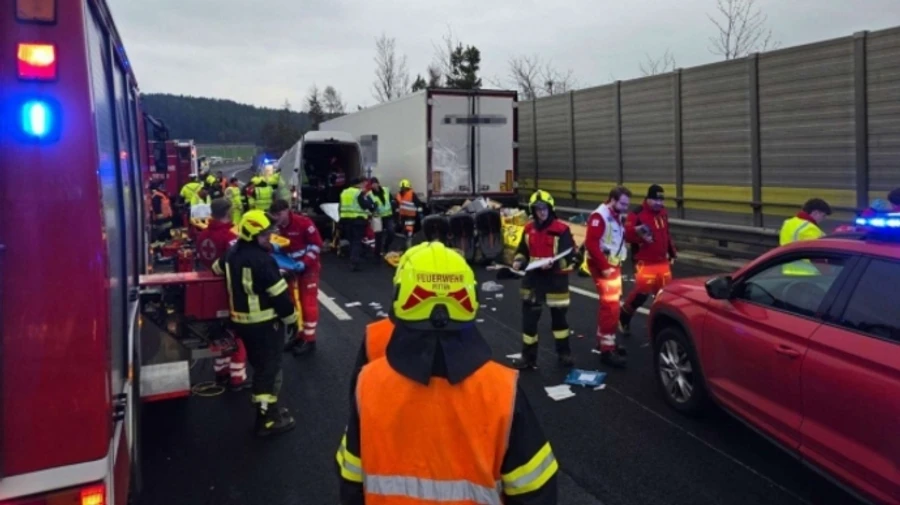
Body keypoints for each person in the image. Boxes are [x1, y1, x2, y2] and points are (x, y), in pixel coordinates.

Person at [335, 242, 558, 504]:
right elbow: (536, 491)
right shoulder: (503, 390)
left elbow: (351, 479)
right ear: (470, 299)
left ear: (401, 298)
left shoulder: (368, 383)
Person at [211, 210, 299, 436]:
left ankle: (269, 412)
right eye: (264, 235)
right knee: (269, 370)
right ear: (251, 235)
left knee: (260, 367)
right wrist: (292, 320)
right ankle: (266, 420)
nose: (269, 238)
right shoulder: (263, 260)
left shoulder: (232, 253)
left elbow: (216, 268)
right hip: (265, 324)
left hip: (241, 323)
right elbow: (280, 298)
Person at [510, 190, 576, 370]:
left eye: (544, 208)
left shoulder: (561, 230)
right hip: (533, 281)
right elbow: (522, 251)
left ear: (550, 208)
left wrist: (554, 264)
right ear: (533, 210)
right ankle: (528, 357)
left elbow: (569, 256)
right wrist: (518, 261)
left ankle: (564, 354)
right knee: (529, 323)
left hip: (555, 281)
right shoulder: (528, 229)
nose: (541, 212)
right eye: (538, 209)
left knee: (560, 323)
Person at [195, 198, 248, 391]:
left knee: (217, 334)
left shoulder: (202, 235)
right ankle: (237, 378)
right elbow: (237, 263)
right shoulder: (230, 237)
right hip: (228, 290)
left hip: (208, 290)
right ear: (227, 212)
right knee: (236, 334)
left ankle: (221, 372)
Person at [584, 186, 632, 368]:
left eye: (627, 204)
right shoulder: (600, 216)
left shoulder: (615, 214)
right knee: (610, 306)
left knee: (611, 304)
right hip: (604, 266)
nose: (625, 208)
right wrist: (604, 267)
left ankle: (605, 342)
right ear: (612, 200)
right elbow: (591, 244)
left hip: (612, 265)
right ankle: (607, 350)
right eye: (623, 204)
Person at [619, 184, 677, 335]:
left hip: (662, 261)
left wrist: (672, 252)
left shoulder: (663, 212)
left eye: (661, 200)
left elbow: (666, 234)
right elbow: (626, 235)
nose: (659, 203)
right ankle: (624, 316)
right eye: (656, 200)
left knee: (665, 295)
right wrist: (639, 235)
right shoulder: (637, 214)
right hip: (644, 262)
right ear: (648, 199)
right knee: (641, 294)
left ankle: (663, 326)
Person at [270, 199, 324, 356]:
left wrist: (305, 263)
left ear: (287, 211)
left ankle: (309, 339)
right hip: (290, 270)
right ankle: (299, 335)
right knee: (294, 304)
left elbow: (316, 245)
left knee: (308, 303)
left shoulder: (304, 223)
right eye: (274, 215)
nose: (276, 218)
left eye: (278, 214)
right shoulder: (276, 227)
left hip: (308, 269)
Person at [339, 177, 376, 271]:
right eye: (364, 183)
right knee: (357, 241)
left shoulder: (344, 192)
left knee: (351, 240)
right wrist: (372, 205)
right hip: (358, 221)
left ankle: (352, 258)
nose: (365, 185)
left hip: (346, 220)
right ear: (360, 184)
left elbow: (340, 207)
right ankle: (354, 262)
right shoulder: (359, 193)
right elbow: (365, 205)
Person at [366, 177, 395, 256]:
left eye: (375, 183)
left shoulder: (386, 190)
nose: (374, 185)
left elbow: (391, 199)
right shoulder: (369, 194)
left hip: (388, 216)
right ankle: (377, 253)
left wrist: (393, 204)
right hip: (377, 217)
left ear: (378, 183)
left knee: (391, 232)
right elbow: (368, 207)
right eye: (372, 184)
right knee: (378, 236)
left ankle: (386, 246)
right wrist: (372, 207)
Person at [395, 178, 423, 249]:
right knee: (404, 232)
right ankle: (406, 246)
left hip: (410, 216)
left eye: (405, 188)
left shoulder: (412, 194)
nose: (404, 189)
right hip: (402, 216)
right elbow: (397, 206)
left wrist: (420, 212)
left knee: (409, 232)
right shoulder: (398, 195)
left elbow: (418, 204)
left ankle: (409, 246)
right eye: (403, 188)